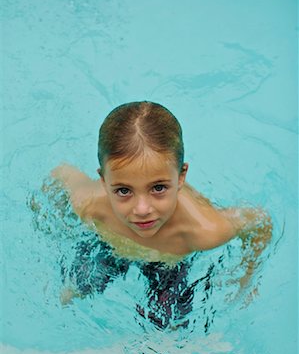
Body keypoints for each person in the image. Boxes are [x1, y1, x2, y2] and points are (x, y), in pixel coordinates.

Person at [51, 101, 272, 328]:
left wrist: (247, 276)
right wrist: (60, 228)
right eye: (124, 191)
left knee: (169, 331)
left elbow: (258, 221)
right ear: (104, 181)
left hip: (168, 265)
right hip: (107, 245)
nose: (142, 210)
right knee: (71, 293)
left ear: (181, 176)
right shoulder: (89, 204)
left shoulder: (204, 230)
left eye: (158, 188)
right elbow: (59, 175)